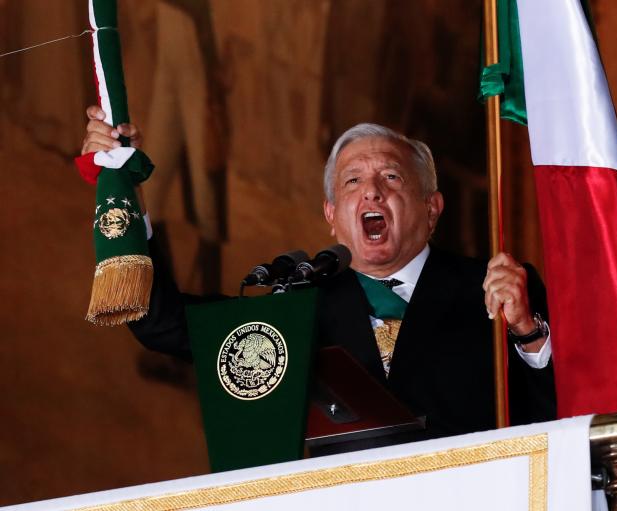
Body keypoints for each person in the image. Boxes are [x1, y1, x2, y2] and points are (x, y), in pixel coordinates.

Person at [80, 107, 556, 441]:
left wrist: (528, 335)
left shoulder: (499, 290)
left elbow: (565, 409)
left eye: (390, 177)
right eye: (352, 182)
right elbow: (162, 323)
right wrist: (124, 186)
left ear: (432, 208)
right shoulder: (301, 301)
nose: (370, 192)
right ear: (331, 214)